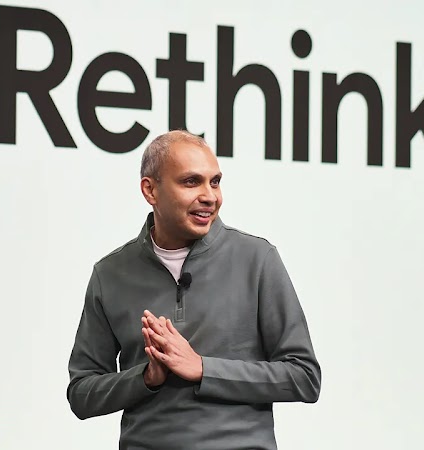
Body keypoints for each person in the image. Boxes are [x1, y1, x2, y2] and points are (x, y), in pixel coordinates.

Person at [67, 130, 321, 449]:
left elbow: (304, 378)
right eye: (191, 182)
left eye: (214, 182)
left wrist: (203, 368)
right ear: (151, 190)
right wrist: (145, 378)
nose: (210, 196)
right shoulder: (110, 273)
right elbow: (81, 394)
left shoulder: (258, 260)